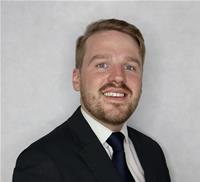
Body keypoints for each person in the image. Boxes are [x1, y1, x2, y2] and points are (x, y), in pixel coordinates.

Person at [13, 19, 171, 182]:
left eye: (130, 67)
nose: (118, 77)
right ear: (77, 79)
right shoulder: (40, 162)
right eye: (102, 65)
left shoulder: (153, 152)